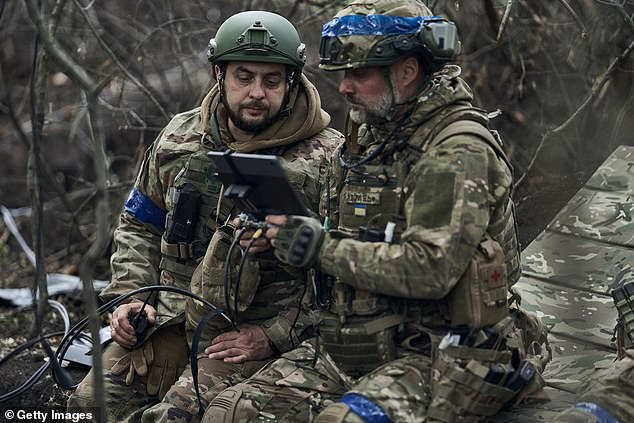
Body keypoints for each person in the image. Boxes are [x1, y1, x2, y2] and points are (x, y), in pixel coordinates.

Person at [202, 0, 550, 422]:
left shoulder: (455, 152)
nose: (344, 87)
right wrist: (285, 236)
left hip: (447, 351)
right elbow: (345, 238)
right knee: (228, 413)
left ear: (406, 71)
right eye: (344, 74)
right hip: (357, 341)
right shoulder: (368, 138)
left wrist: (318, 247)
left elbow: (431, 269)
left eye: (359, 73)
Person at [67, 10, 342, 423]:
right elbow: (140, 225)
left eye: (271, 81)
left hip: (248, 333)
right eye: (243, 77)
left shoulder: (328, 158)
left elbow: (341, 268)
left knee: (175, 416)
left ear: (292, 81)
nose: (256, 93)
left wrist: (276, 335)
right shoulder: (180, 139)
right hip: (171, 319)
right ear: (219, 74)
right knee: (89, 408)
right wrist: (132, 297)